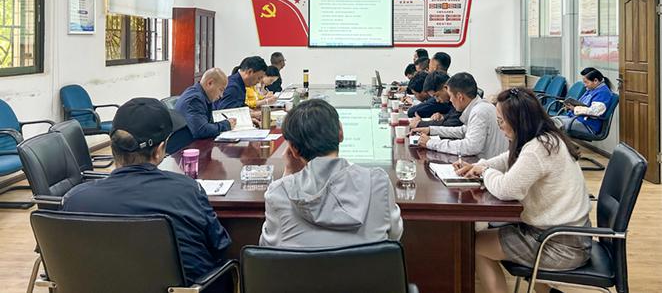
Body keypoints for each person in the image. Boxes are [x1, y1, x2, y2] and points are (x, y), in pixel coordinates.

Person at [63, 98, 232, 286]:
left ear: (112, 147)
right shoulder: (187, 191)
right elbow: (220, 247)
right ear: (159, 150)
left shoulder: (75, 200)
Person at [454, 88, 592, 293]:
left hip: (559, 244)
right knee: (484, 237)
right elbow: (509, 159)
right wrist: (480, 165)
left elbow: (506, 189)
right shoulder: (546, 138)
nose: (500, 126)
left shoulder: (538, 149)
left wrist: (484, 172)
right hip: (566, 234)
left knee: (477, 247)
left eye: (501, 121)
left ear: (518, 121)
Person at [259, 99, 403, 247]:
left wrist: (289, 173)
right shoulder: (378, 183)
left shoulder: (278, 193)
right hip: (368, 263)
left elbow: (268, 248)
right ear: (341, 133)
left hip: (303, 264)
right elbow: (394, 237)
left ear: (293, 150)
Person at [413, 72, 508, 159]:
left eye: (451, 96)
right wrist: (431, 130)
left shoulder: (479, 111)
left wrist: (431, 143)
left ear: (460, 97)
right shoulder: (480, 106)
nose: (450, 100)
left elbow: (470, 147)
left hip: (489, 167)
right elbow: (463, 131)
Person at [175, 68, 236, 139]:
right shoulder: (195, 100)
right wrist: (226, 125)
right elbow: (201, 130)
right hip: (186, 144)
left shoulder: (201, 95)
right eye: (221, 90)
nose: (221, 95)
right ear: (210, 83)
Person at [552, 67, 614, 136]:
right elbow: (582, 104)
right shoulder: (591, 90)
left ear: (595, 80)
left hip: (588, 125)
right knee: (550, 121)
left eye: (586, 82)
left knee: (554, 124)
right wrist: (571, 107)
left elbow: (594, 111)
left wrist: (575, 108)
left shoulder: (603, 93)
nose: (585, 85)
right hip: (578, 119)